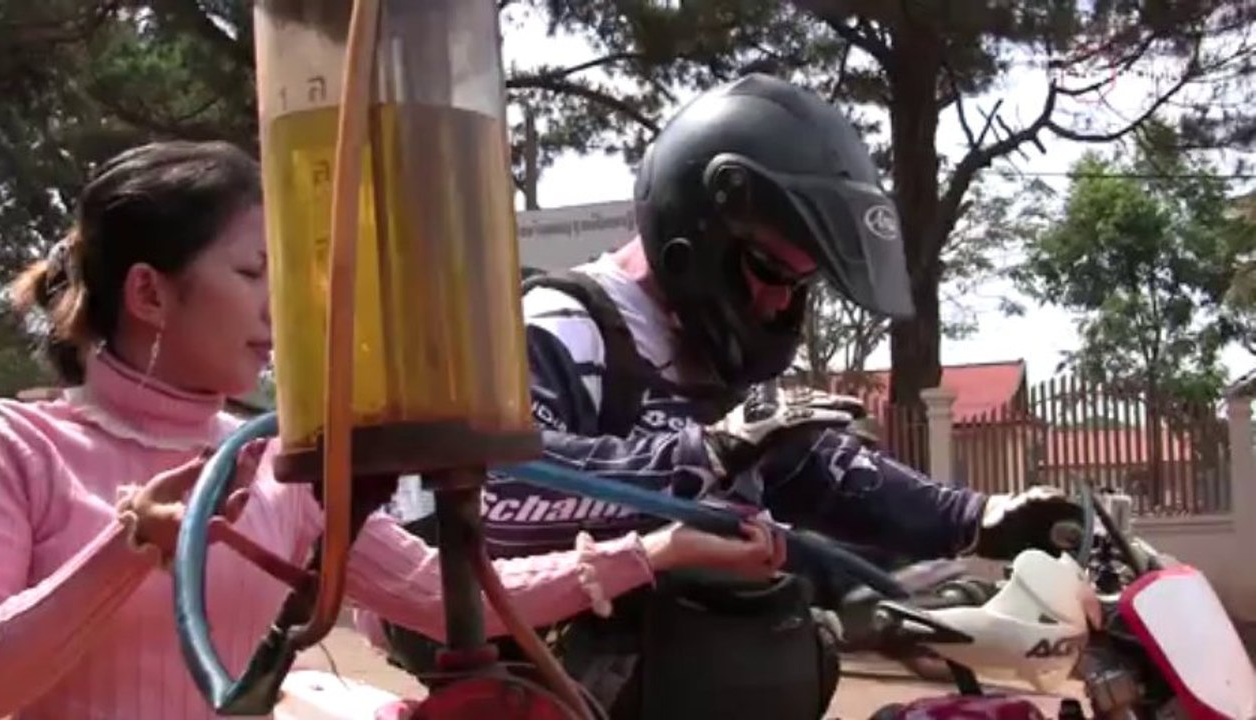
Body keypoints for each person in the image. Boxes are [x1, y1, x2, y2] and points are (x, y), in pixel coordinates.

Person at [0, 140, 786, 720]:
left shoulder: (274, 464)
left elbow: (436, 598)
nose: (279, 308)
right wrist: (126, 553)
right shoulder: (18, 447)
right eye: (252, 274)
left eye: (284, 277)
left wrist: (659, 551)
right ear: (149, 295)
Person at [380, 74, 1083, 719]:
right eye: (768, 270)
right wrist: (700, 457)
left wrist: (975, 518)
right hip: (540, 687)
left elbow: (815, 468)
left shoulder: (715, 361)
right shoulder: (564, 328)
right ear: (695, 233)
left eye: (799, 284)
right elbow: (495, 497)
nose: (779, 300)